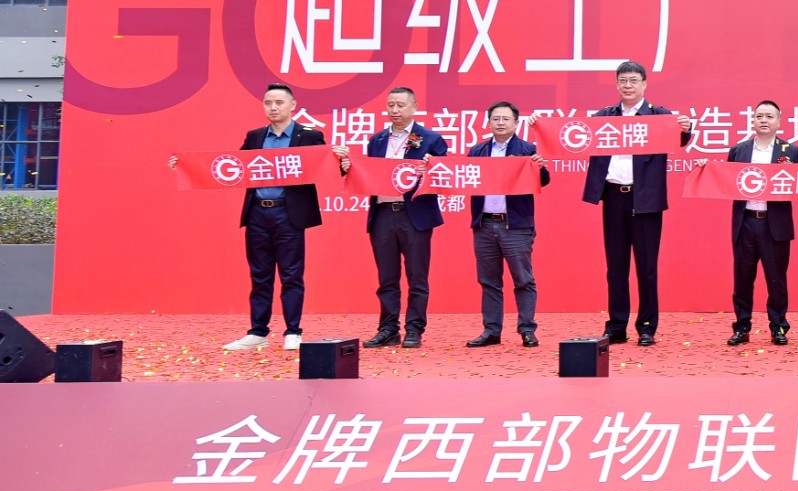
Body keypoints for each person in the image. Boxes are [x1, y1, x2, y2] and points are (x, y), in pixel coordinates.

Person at [169, 83, 331, 353]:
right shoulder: (255, 137)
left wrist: (340, 159)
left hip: (288, 214)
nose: (273, 107)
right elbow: (230, 168)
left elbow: (327, 166)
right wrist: (186, 167)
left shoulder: (309, 136)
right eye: (268, 103)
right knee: (260, 275)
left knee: (291, 275)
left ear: (292, 105)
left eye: (279, 102)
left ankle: (293, 331)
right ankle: (258, 332)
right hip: (258, 213)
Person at [580, 61, 695, 347]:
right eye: (623, 80)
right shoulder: (603, 117)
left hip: (646, 200)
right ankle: (617, 326)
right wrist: (539, 125)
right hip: (613, 197)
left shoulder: (660, 116)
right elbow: (573, 136)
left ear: (644, 84)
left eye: (633, 80)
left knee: (647, 266)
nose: (628, 85)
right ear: (616, 84)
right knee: (616, 266)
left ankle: (646, 326)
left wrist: (686, 128)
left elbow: (680, 138)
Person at [336, 87, 447, 349]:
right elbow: (368, 174)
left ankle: (414, 329)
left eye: (400, 105)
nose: (394, 110)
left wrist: (431, 167)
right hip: (383, 213)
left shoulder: (431, 139)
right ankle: (388, 329)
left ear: (414, 107)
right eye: (391, 105)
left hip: (414, 215)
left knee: (417, 276)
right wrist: (348, 168)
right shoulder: (376, 140)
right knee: (387, 277)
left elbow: (444, 176)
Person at [465, 101, 550, 349]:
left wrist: (539, 168)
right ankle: (491, 330)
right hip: (484, 224)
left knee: (523, 279)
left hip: (515, 225)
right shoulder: (477, 151)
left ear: (516, 123)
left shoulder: (527, 149)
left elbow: (543, 181)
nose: (500, 123)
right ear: (488, 122)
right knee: (489, 281)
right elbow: (464, 178)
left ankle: (527, 329)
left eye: (505, 119)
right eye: (496, 119)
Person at [724, 100, 798, 347]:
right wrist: (705, 168)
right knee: (742, 279)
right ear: (753, 120)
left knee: (776, 279)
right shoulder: (739, 150)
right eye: (759, 116)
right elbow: (725, 180)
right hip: (745, 222)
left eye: (769, 116)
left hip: (774, 224)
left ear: (779, 121)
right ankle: (742, 327)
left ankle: (778, 327)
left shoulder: (790, 151)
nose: (764, 120)